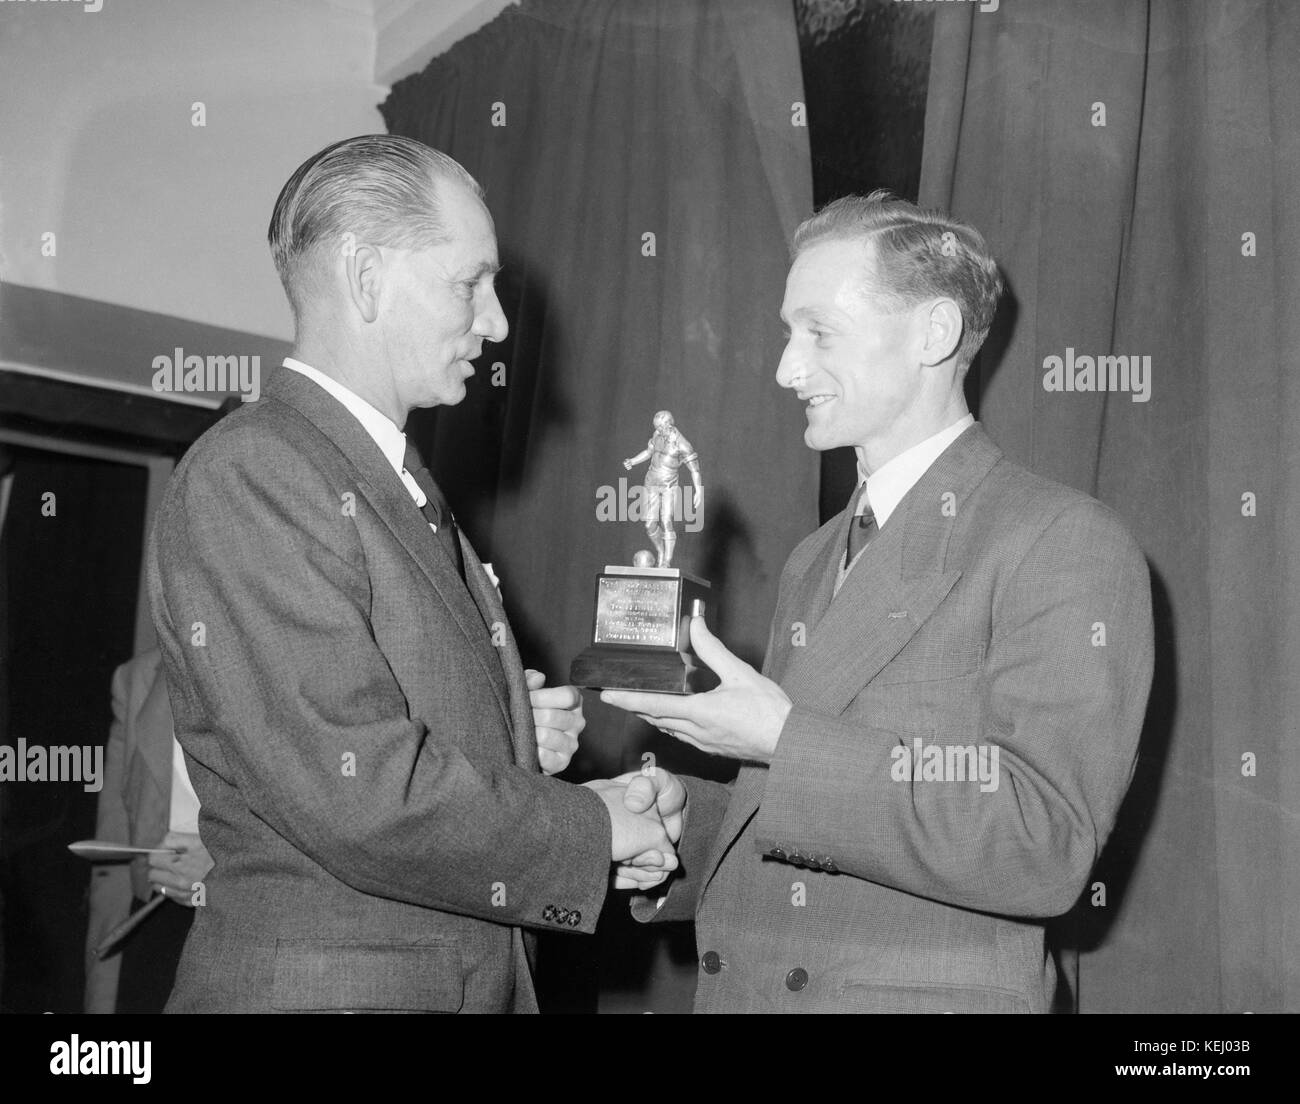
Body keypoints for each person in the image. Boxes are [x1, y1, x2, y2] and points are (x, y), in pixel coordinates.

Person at [147, 135, 673, 1013]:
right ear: (365, 277)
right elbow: (358, 787)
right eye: (470, 282)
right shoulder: (256, 470)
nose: (499, 322)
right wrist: (594, 827)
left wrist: (509, 737)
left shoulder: (383, 478)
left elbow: (381, 735)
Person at [604, 191, 1155, 1013]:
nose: (788, 368)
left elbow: (1046, 841)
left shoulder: (1063, 538)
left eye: (819, 331)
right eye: (789, 333)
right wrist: (694, 827)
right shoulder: (815, 556)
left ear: (933, 334)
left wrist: (781, 739)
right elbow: (807, 803)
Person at [85, 648, 213, 1013]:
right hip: (155, 940)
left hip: (257, 941)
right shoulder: (138, 678)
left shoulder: (296, 666)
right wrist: (101, 1000)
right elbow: (113, 864)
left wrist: (222, 871)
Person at [622, 411, 703, 568]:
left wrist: (698, 490)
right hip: (651, 483)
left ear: (669, 425)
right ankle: (660, 550)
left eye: (660, 427)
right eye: (656, 427)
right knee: (649, 524)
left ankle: (667, 560)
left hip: (668, 486)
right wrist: (633, 461)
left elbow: (695, 470)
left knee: (666, 520)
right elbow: (649, 452)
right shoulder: (657, 435)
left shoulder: (683, 445)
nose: (658, 430)